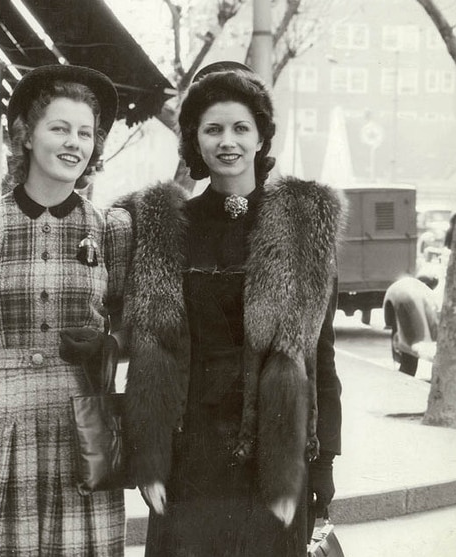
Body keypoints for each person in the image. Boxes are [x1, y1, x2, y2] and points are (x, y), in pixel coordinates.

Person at [115, 62, 344, 556]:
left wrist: (322, 465)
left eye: (241, 127)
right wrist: (147, 459)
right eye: (213, 128)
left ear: (261, 137)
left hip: (272, 456)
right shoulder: (162, 228)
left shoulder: (301, 226)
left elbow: (320, 358)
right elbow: (147, 352)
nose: (228, 141)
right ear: (194, 140)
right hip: (188, 456)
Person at [0, 64, 132, 556]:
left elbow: (136, 334)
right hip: (6, 421)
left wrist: (110, 345)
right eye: (59, 128)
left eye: (85, 133)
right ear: (26, 136)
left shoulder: (112, 229)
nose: (74, 143)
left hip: (86, 428)